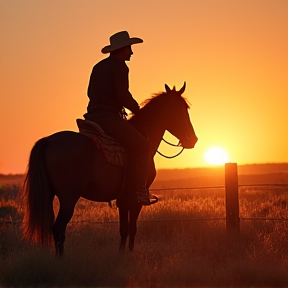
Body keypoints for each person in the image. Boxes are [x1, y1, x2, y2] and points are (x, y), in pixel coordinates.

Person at [83, 31, 156, 206]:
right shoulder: (120, 66)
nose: (131, 52)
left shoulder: (98, 67)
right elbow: (123, 94)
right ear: (122, 49)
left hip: (92, 118)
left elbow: (89, 93)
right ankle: (138, 191)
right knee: (142, 145)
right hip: (108, 119)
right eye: (129, 48)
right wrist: (137, 110)